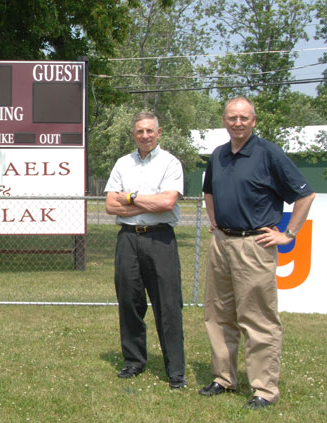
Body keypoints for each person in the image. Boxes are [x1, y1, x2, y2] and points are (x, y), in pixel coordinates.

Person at [200, 96, 315, 409]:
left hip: (255, 245)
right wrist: (214, 221)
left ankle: (263, 389)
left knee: (258, 319)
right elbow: (208, 190)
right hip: (222, 243)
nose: (237, 123)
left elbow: (305, 194)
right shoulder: (219, 154)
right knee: (218, 314)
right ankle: (223, 378)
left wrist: (288, 233)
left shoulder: (268, 153)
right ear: (224, 120)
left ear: (253, 121)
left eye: (244, 118)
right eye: (232, 117)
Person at [105, 111, 186, 389]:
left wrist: (131, 197)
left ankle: (175, 370)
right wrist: (144, 201)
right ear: (133, 134)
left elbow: (166, 202)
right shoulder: (122, 164)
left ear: (159, 133)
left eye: (150, 131)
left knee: (168, 305)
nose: (145, 135)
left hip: (160, 240)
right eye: (140, 131)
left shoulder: (170, 163)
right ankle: (134, 361)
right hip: (128, 239)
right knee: (129, 302)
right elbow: (110, 206)